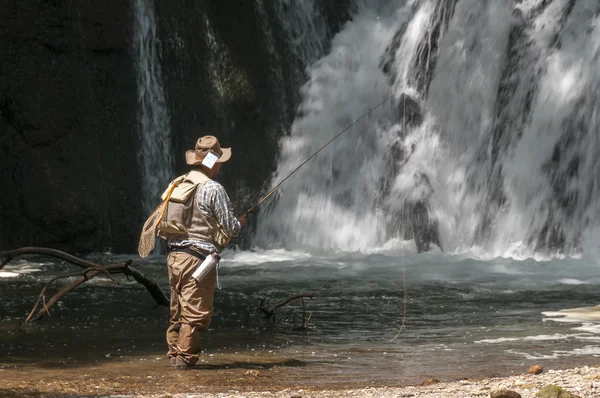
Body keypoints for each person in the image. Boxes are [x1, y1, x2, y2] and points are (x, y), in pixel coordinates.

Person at [164, 135, 246, 368]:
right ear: (211, 161)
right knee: (194, 315)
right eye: (219, 160)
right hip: (198, 261)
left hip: (174, 257)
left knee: (177, 312)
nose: (220, 164)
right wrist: (240, 222)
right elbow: (231, 229)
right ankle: (184, 367)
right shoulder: (213, 188)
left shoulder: (178, 183)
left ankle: (174, 361)